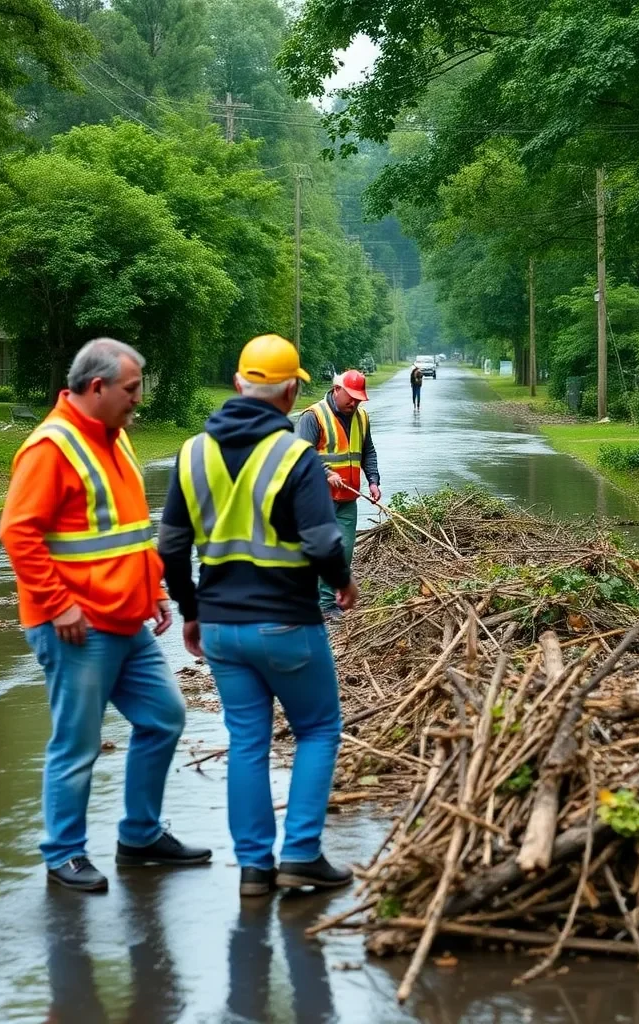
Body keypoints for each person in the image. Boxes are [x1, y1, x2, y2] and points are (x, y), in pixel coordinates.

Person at [0, 337, 210, 894]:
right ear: (97, 387)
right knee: (77, 742)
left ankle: (139, 836)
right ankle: (63, 853)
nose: (138, 399)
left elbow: (128, 530)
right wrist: (57, 603)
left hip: (127, 618)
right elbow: (17, 532)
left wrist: (155, 591)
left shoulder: (115, 440)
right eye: (132, 389)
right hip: (76, 625)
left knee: (164, 718)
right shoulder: (53, 446)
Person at [159, 334, 358, 898]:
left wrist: (191, 611)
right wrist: (343, 582)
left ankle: (253, 869)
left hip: (221, 629)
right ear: (293, 392)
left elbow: (172, 547)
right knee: (318, 729)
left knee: (247, 741)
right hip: (287, 625)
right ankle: (300, 855)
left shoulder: (193, 451)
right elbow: (322, 541)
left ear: (239, 384)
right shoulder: (295, 455)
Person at [296, 369, 380, 620]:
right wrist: (325, 472)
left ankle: (327, 600)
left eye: (358, 399)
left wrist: (373, 481)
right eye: (350, 397)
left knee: (344, 551)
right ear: (336, 390)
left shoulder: (362, 418)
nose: (353, 403)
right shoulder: (313, 416)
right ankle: (323, 604)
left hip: (347, 499)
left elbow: (369, 452)